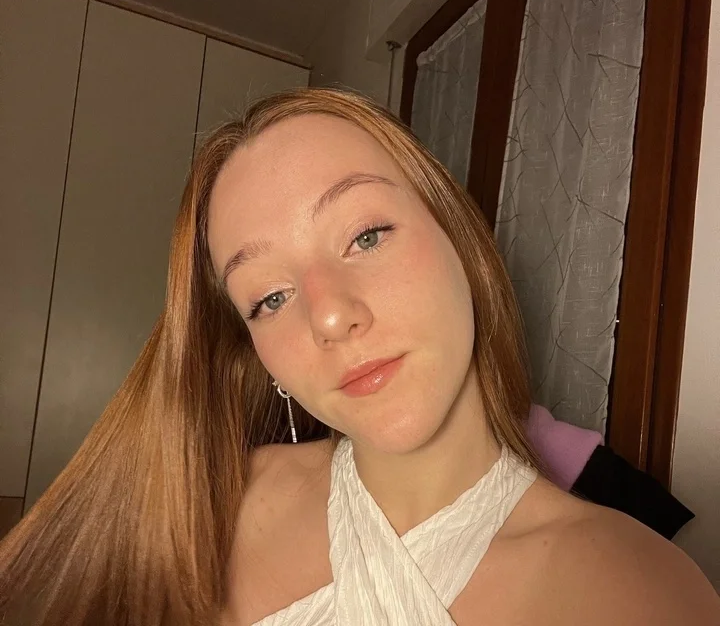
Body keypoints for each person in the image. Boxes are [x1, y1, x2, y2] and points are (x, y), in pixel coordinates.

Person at [0, 89, 717, 626]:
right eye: (269, 297)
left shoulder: (638, 589)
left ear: (460, 242)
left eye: (366, 236)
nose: (330, 316)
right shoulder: (215, 501)